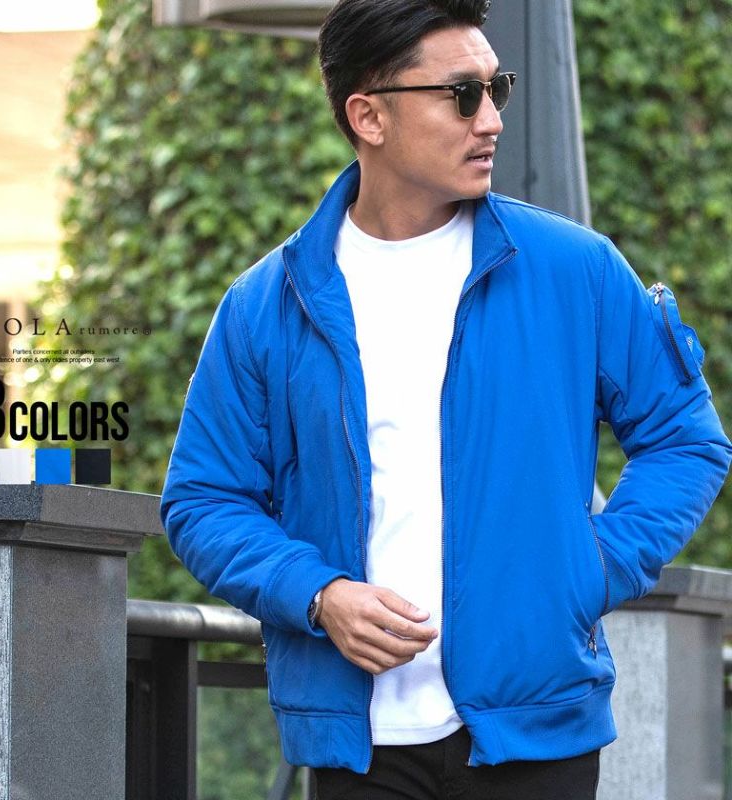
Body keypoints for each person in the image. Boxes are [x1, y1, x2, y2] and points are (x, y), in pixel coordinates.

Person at [160, 0, 732, 797]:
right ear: (368, 115)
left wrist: (586, 570)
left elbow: (685, 438)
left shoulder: (573, 269)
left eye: (497, 88)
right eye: (462, 95)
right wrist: (318, 595)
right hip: (356, 745)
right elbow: (203, 500)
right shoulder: (267, 305)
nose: (490, 119)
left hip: (533, 735)